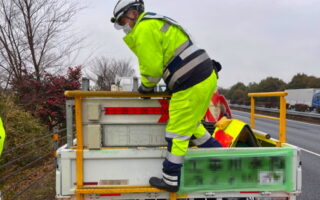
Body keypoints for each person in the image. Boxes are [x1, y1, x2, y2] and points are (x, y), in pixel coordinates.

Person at [111, 0, 222, 192]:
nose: (123, 27)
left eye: (123, 21)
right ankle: (221, 159)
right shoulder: (155, 22)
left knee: (176, 133)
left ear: (133, 14)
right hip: (203, 76)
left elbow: (152, 68)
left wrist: (146, 88)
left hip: (191, 81)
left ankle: (170, 179)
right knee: (192, 125)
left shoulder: (144, 28)